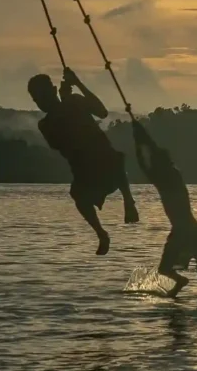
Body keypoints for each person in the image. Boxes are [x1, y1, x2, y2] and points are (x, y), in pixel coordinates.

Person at [28, 67, 138, 255]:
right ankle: (101, 234)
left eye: (43, 96)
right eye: (37, 100)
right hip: (85, 171)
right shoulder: (45, 123)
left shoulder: (74, 102)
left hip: (106, 161)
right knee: (77, 193)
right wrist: (67, 103)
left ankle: (129, 201)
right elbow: (58, 143)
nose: (41, 103)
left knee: (113, 158)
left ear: (53, 91)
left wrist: (78, 84)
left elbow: (102, 112)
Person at [132, 121, 197, 298]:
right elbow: (153, 150)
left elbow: (144, 163)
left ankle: (180, 284)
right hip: (193, 231)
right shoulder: (175, 175)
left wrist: (137, 142)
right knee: (167, 270)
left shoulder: (163, 180)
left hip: (184, 233)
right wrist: (140, 133)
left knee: (165, 270)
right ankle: (177, 291)